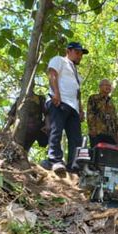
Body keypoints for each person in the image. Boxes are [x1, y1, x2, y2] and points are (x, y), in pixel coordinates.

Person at [45, 42, 88, 174]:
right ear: (68, 51)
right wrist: (56, 94)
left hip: (73, 107)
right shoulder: (59, 60)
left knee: (76, 138)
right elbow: (52, 74)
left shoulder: (76, 73)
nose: (80, 56)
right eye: (77, 52)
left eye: (81, 54)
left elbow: (78, 92)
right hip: (59, 101)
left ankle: (74, 165)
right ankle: (55, 160)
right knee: (56, 130)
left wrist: (80, 109)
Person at [87, 79, 118, 147]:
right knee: (96, 154)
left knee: (110, 156)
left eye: (109, 85)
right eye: (106, 85)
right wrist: (92, 128)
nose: (108, 87)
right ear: (100, 87)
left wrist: (117, 134)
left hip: (111, 135)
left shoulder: (111, 102)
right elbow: (90, 114)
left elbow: (115, 118)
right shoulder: (94, 98)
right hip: (98, 132)